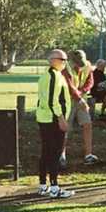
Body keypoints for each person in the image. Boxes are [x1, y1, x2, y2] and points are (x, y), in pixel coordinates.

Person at [34, 49, 74, 199]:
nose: (65, 62)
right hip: (52, 120)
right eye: (62, 59)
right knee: (54, 153)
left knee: (46, 152)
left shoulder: (49, 75)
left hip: (46, 118)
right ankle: (54, 187)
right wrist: (61, 118)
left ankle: (43, 185)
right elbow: (52, 101)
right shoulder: (53, 76)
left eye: (65, 59)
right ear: (53, 60)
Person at [60, 49, 98, 167]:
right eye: (78, 62)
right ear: (72, 60)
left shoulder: (87, 65)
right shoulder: (66, 68)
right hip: (67, 101)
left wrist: (82, 92)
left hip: (81, 100)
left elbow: (90, 82)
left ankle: (88, 155)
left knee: (87, 124)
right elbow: (69, 86)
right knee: (65, 128)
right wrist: (79, 98)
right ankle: (61, 156)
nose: (80, 65)